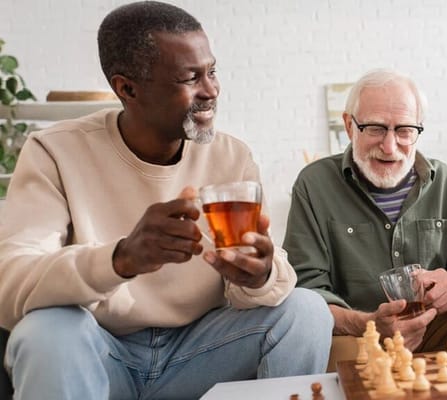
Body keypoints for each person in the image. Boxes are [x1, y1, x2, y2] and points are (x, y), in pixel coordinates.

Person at [0, 2, 333, 399]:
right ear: (127, 88)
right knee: (48, 333)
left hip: (201, 351)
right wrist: (120, 258)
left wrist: (259, 275)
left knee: (306, 311)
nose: (210, 91)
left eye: (211, 72)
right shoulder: (55, 152)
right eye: (190, 78)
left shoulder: (232, 157)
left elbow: (257, 284)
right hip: (101, 352)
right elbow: (11, 282)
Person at [283, 69, 447, 355]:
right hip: (359, 333)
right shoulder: (314, 184)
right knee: (338, 351)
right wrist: (368, 324)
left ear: (418, 129)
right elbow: (307, 293)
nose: (389, 146)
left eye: (404, 130)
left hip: (442, 326)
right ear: (349, 126)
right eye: (375, 128)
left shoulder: (445, 180)